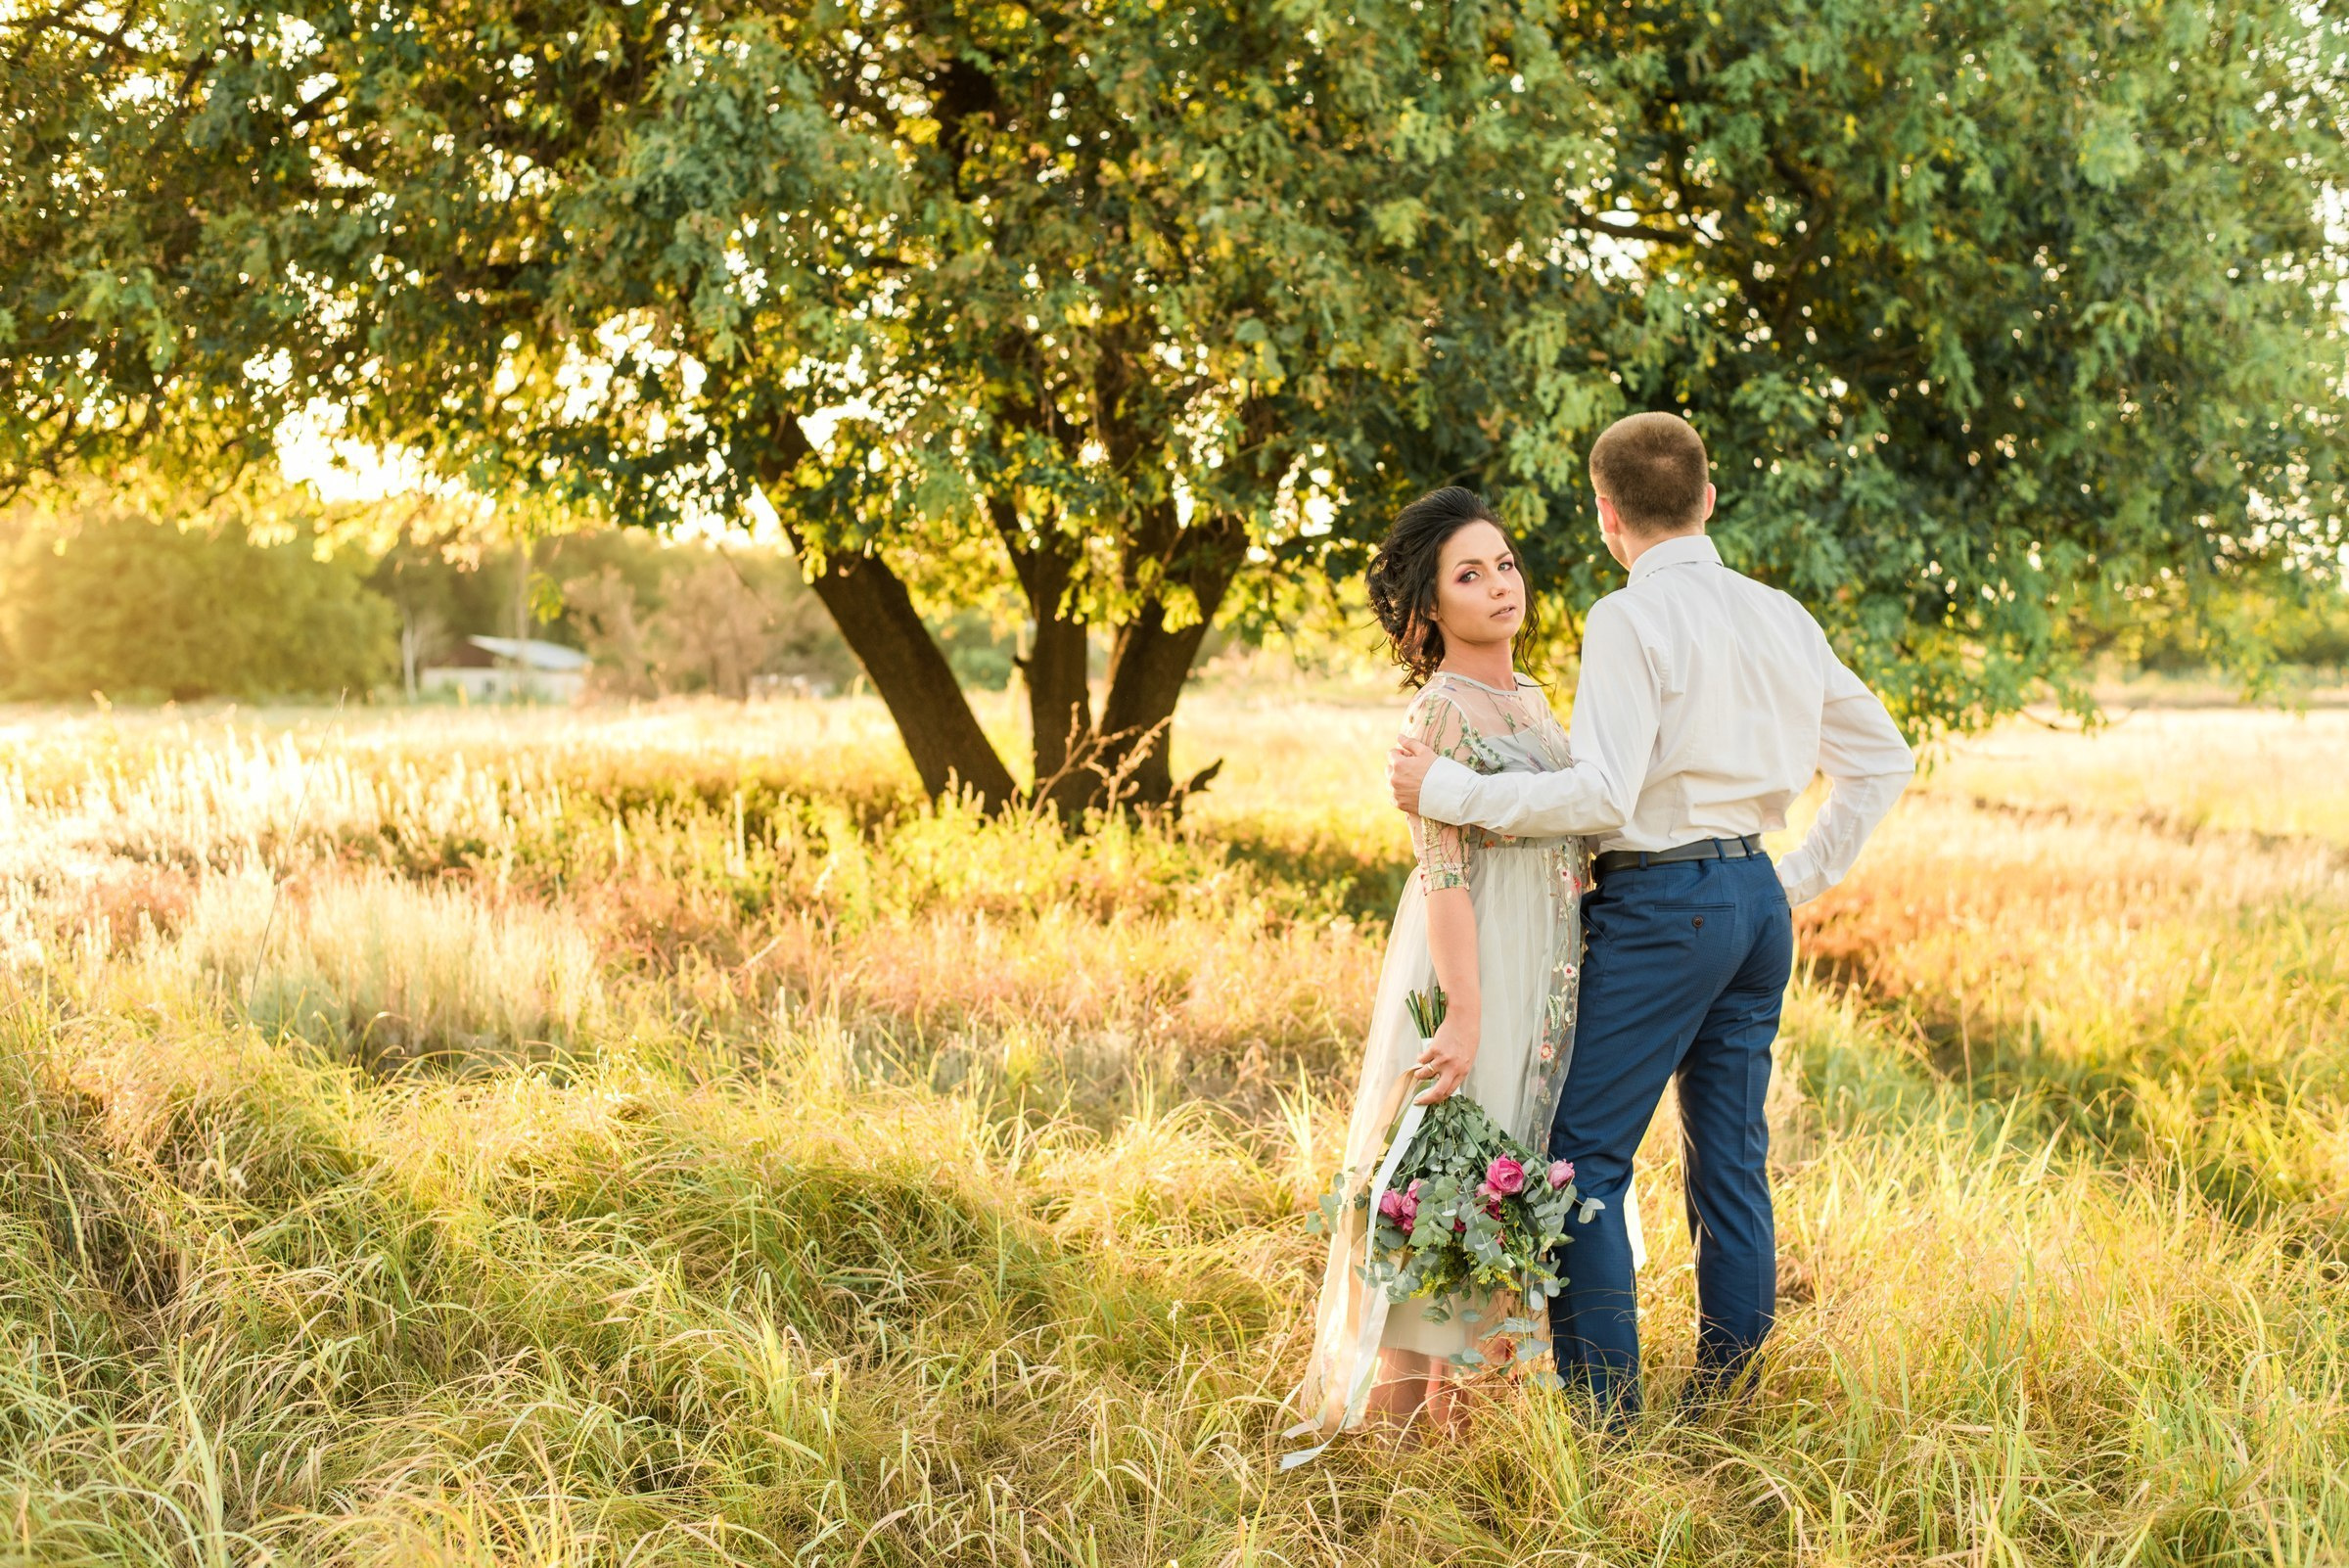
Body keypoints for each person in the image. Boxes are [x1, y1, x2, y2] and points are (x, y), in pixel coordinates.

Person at [1388, 412, 1914, 1419]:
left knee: (1581, 1158)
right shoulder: (1781, 615)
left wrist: (1454, 792)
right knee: (1732, 1162)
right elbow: (1882, 759)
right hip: (1756, 906)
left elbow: (1605, 798)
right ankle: (1729, 1399)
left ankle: (1606, 1419)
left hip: (1666, 906)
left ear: (1606, 513)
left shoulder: (1627, 618)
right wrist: (1792, 878)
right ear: (1709, 497)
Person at [1287, 486, 1643, 1457]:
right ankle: (1402, 1464)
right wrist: (1468, 1012)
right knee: (1452, 1189)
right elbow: (1442, 873)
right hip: (1474, 968)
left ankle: (1470, 1443)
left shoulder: (1530, 700)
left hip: (1547, 970)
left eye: (1507, 565)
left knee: (1506, 1184)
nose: (1499, 587)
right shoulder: (1437, 714)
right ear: (1430, 610)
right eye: (1470, 574)